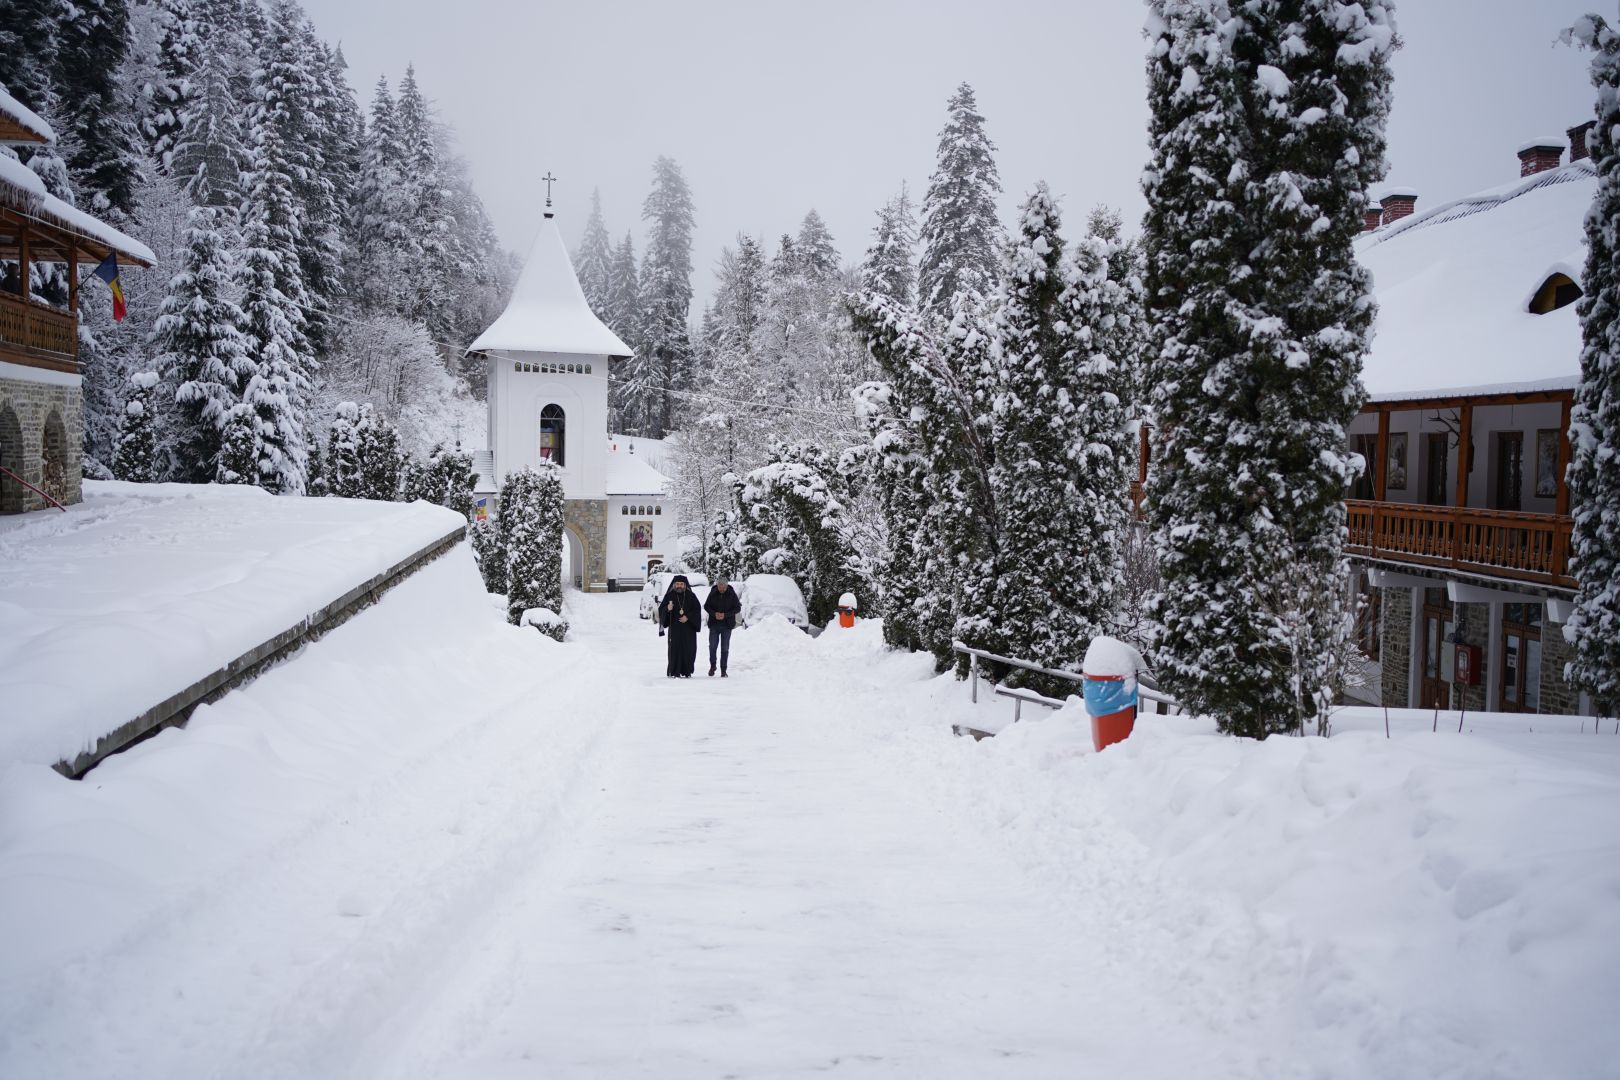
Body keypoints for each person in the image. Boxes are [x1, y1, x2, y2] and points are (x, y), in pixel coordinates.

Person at [659, 574, 702, 677]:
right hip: (675, 628)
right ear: (674, 585)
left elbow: (697, 610)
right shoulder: (669, 596)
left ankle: (687, 671)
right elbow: (662, 610)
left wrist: (688, 617)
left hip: (688, 629)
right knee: (674, 650)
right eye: (677, 584)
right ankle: (674, 671)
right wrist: (667, 609)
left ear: (685, 585)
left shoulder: (691, 596)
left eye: (681, 584)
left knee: (689, 650)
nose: (679, 586)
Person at [704, 577, 742, 677]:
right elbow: (706, 606)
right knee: (712, 647)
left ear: (726, 586)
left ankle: (723, 669)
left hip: (727, 625)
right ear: (717, 585)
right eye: (720, 587)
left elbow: (737, 608)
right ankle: (713, 666)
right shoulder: (713, 593)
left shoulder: (731, 593)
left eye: (723, 587)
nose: (721, 589)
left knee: (724, 648)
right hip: (714, 624)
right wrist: (714, 614)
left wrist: (726, 615)